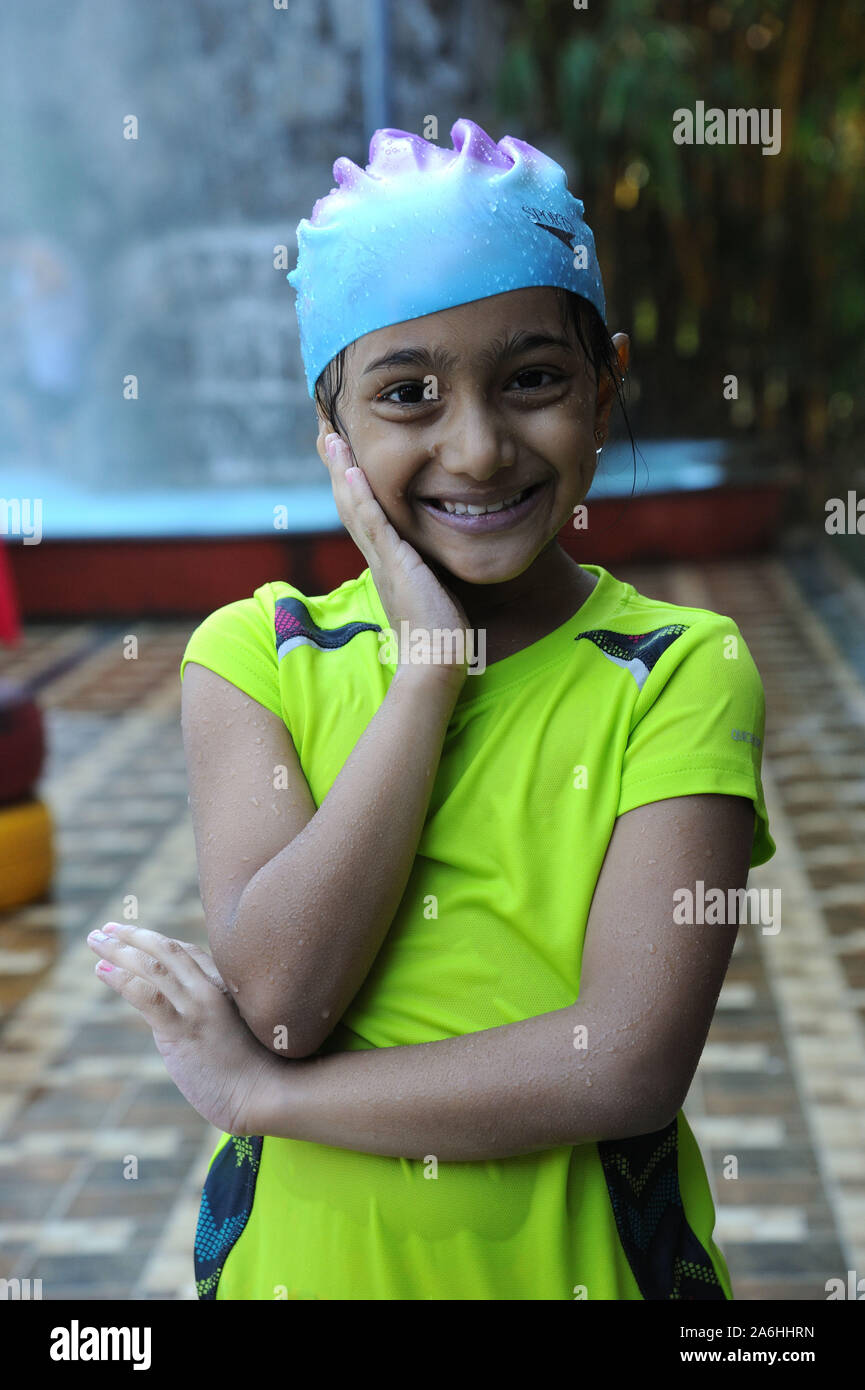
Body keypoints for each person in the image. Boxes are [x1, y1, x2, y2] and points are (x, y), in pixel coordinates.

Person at [86, 117, 776, 1301]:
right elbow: (286, 1001)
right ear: (333, 432)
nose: (477, 445)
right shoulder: (258, 656)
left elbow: (623, 1062)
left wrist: (263, 1098)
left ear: (605, 389)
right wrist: (427, 672)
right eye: (406, 394)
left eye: (533, 380)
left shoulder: (674, 668)